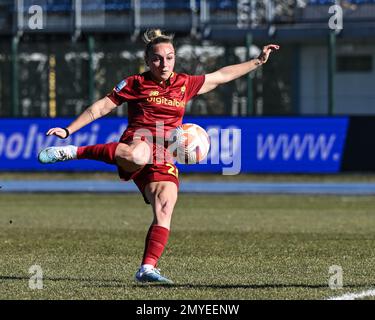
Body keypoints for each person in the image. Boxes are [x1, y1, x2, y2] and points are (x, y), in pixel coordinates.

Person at [38, 29, 279, 284]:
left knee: (165, 205)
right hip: (138, 141)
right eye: (157, 59)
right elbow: (100, 108)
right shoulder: (135, 83)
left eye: (170, 57)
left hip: (165, 156)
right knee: (138, 155)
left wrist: (257, 61)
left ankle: (147, 268)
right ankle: (74, 151)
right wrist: (68, 129)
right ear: (147, 60)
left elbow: (220, 76)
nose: (164, 64)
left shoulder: (184, 84)